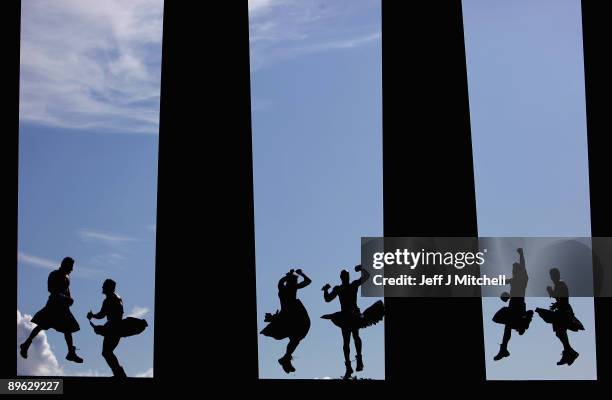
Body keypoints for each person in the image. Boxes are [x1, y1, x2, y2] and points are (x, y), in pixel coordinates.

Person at [322, 265, 384, 379]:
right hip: (348, 316)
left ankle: (355, 363)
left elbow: (366, 276)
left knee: (350, 339)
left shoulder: (347, 286)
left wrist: (362, 268)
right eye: (345, 276)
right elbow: (327, 299)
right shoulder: (344, 287)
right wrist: (325, 290)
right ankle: (351, 365)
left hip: (351, 316)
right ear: (342, 277)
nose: (346, 277)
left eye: (346, 275)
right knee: (350, 339)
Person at [19, 257, 83, 363]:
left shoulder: (67, 277)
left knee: (68, 329)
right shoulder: (54, 274)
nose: (72, 269)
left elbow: (67, 290)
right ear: (64, 265)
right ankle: (26, 344)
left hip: (63, 307)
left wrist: (69, 299)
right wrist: (63, 297)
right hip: (54, 305)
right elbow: (51, 289)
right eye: (70, 267)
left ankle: (71, 353)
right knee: (42, 325)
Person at [87, 279, 148, 377]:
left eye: (104, 286)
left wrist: (94, 317)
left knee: (106, 352)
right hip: (114, 329)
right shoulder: (113, 298)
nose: (102, 288)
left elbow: (103, 314)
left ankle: (119, 373)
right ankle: (119, 373)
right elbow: (105, 314)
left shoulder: (111, 299)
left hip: (114, 329)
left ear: (109, 287)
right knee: (107, 352)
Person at [260, 269, 312, 373]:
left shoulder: (293, 287)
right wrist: (290, 276)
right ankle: (286, 358)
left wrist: (300, 274)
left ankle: (286, 358)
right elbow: (280, 283)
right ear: (290, 281)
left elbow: (308, 281)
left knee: (296, 338)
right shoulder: (284, 288)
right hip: (288, 315)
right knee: (296, 337)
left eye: (296, 281)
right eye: (295, 280)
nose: (296, 282)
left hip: (295, 314)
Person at [535, 268, 584, 366]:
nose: (553, 277)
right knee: (559, 332)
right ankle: (569, 352)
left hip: (565, 312)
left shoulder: (561, 284)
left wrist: (556, 301)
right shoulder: (557, 285)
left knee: (558, 329)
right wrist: (553, 298)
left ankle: (569, 352)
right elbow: (558, 298)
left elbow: (563, 298)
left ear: (558, 275)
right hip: (562, 311)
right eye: (551, 276)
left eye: (554, 275)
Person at [492, 248, 534, 361]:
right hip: (513, 305)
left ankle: (523, 323)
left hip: (519, 306)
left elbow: (523, 266)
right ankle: (505, 348)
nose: (513, 271)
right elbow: (503, 281)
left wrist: (521, 254)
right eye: (513, 270)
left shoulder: (522, 279)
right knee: (505, 325)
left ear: (518, 271)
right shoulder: (514, 280)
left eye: (514, 270)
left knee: (508, 326)